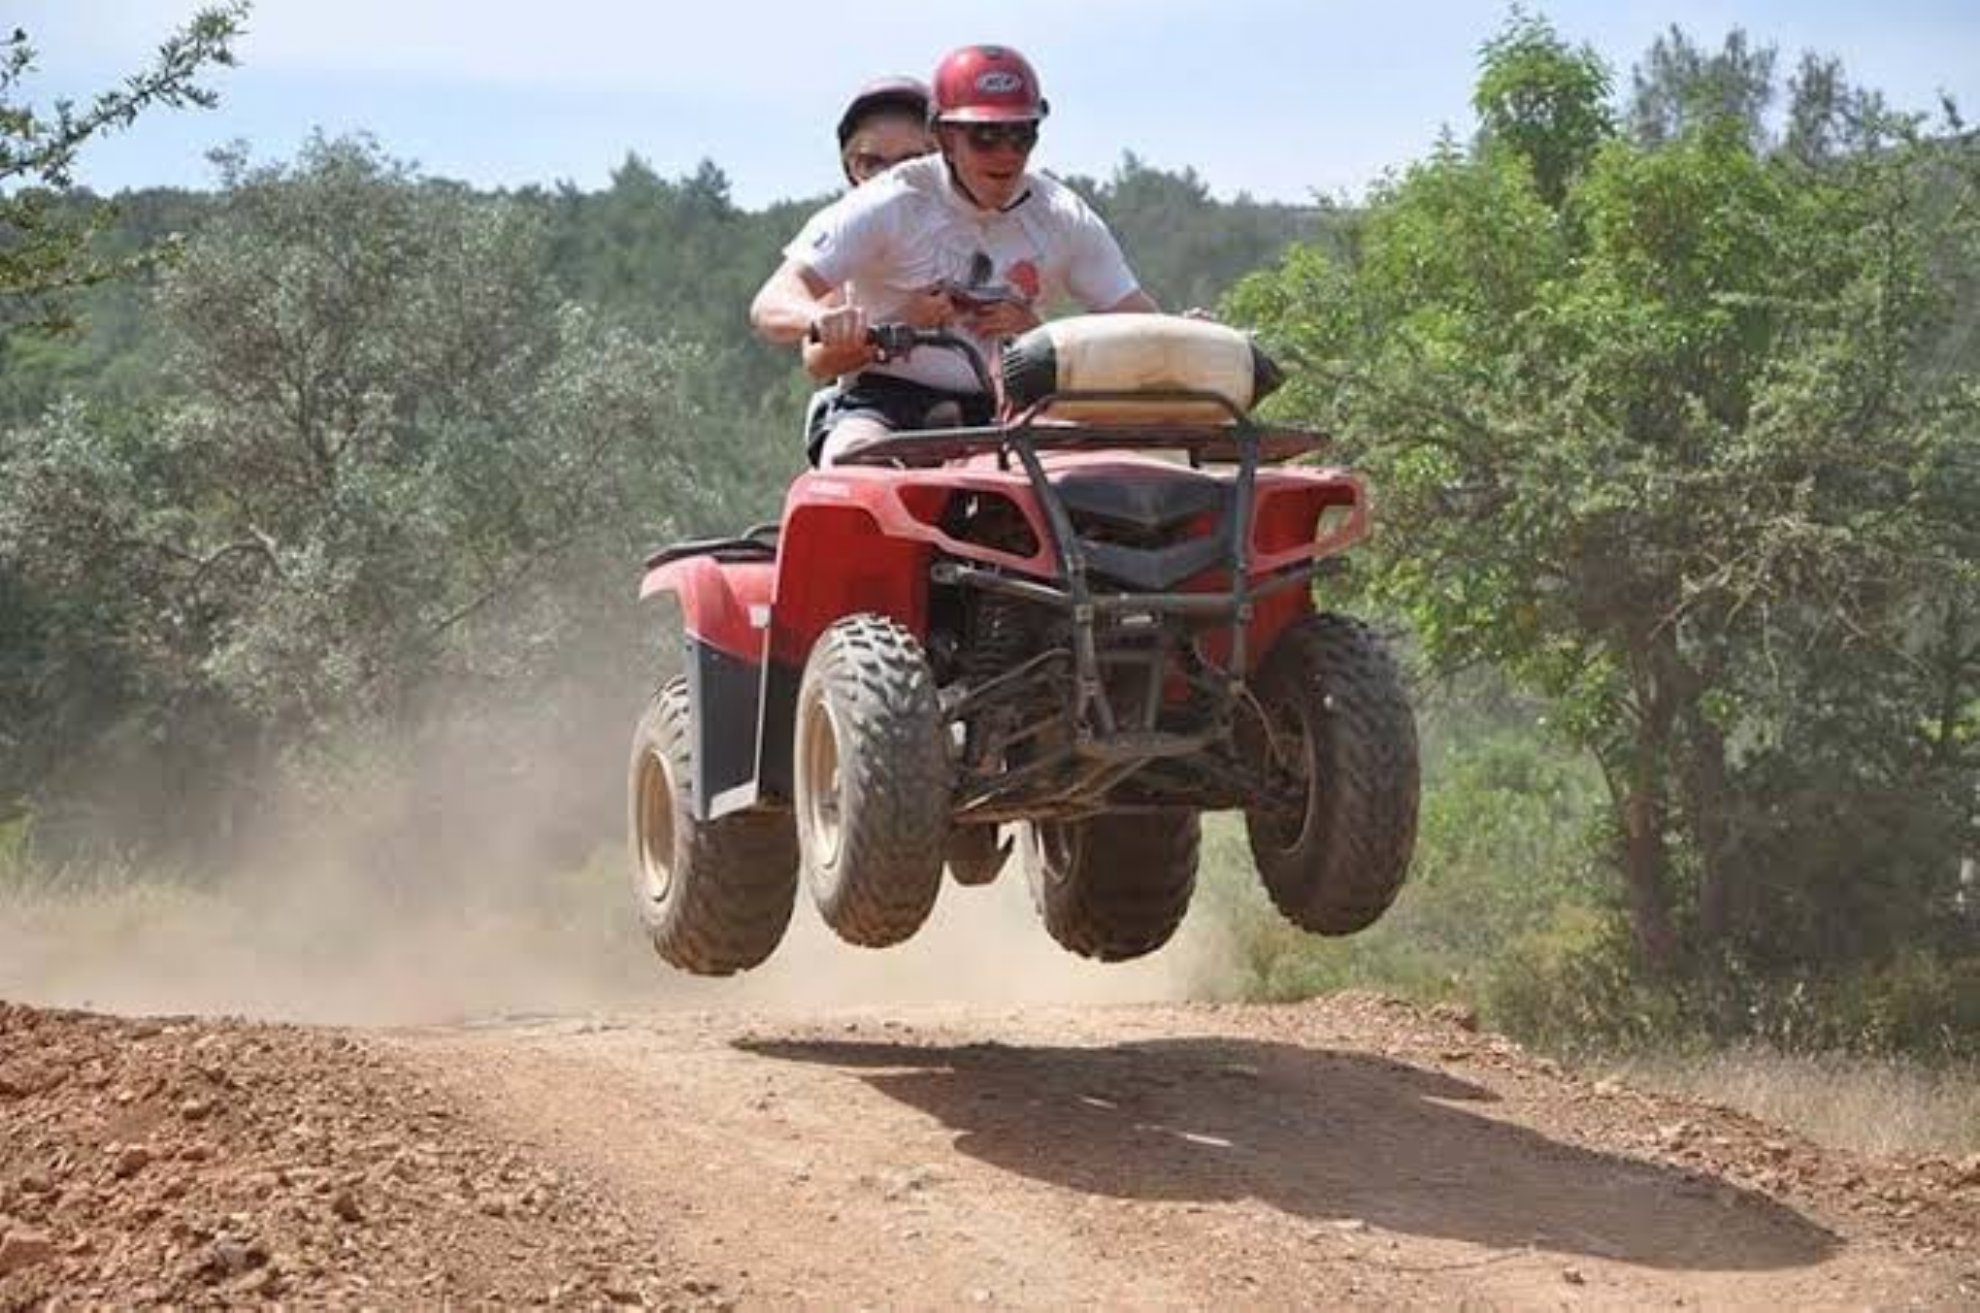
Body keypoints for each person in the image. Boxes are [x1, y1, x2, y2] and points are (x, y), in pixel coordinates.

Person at [751, 44, 1161, 465]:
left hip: (1010, 411)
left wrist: (1187, 337)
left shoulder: (1061, 215)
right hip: (884, 405)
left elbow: (1135, 317)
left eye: (1021, 134)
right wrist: (820, 319)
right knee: (856, 467)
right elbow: (773, 301)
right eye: (984, 136)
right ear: (944, 136)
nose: (1006, 153)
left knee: (1115, 479)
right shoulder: (889, 201)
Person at [800, 78, 936, 399]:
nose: (889, 178)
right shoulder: (843, 233)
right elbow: (818, 361)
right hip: (878, 403)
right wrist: (906, 322)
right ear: (851, 168)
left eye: (910, 162)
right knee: (857, 446)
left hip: (990, 409)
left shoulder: (980, 221)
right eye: (871, 163)